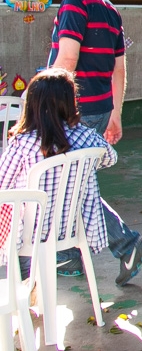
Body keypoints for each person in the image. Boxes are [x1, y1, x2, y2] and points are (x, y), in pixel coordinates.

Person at [48, 0, 142, 286]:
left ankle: (115, 246)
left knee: (64, 182)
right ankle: (75, 253)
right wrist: (116, 114)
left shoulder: (74, 4)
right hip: (99, 107)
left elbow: (67, 59)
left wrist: (45, 103)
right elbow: (119, 69)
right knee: (74, 182)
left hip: (72, 109)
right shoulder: (110, 10)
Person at [0, 69, 117, 278]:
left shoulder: (23, 143)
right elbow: (110, 158)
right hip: (69, 229)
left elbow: (2, 183)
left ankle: (27, 285)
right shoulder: (86, 137)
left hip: (28, 234)